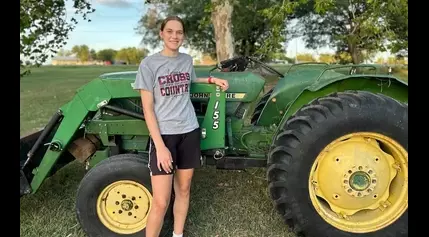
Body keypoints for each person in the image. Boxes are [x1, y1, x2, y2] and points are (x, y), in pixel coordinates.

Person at [132, 16, 229, 237]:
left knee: (183, 189)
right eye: (170, 31)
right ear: (162, 34)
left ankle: (178, 234)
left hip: (189, 131)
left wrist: (213, 80)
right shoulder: (149, 65)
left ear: (183, 35)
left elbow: (190, 80)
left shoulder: (186, 60)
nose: (175, 36)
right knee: (161, 200)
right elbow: (148, 109)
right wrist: (161, 147)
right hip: (164, 137)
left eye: (179, 32)